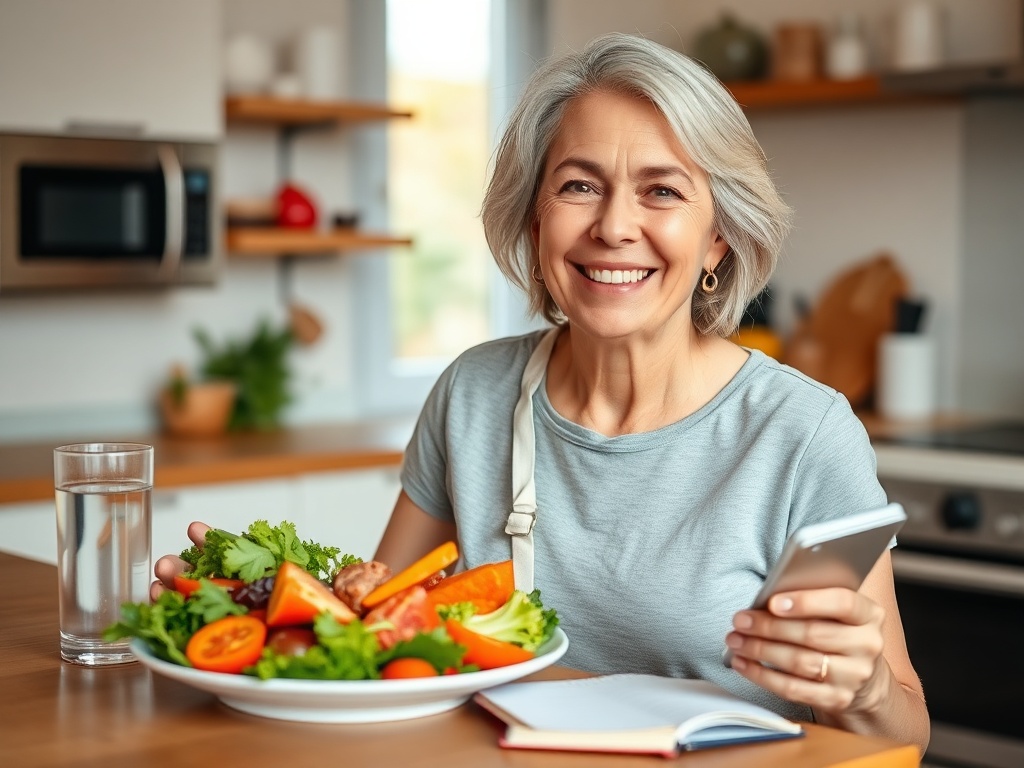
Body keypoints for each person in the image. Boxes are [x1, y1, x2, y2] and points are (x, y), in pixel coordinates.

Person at [155, 33, 929, 751]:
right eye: (579, 186)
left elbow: (907, 734)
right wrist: (258, 601)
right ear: (535, 218)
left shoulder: (802, 435)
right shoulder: (474, 396)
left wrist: (858, 690)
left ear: (717, 236)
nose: (615, 227)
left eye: (661, 191)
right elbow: (375, 631)